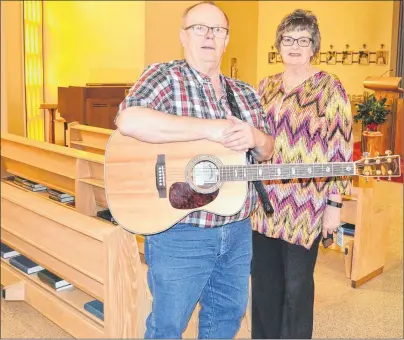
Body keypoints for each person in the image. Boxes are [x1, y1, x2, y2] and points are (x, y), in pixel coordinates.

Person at [114, 1, 274, 339]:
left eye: (217, 30)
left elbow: (268, 151)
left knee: (226, 317)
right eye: (199, 28)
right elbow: (129, 119)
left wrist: (256, 137)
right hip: (181, 231)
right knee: (168, 325)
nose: (208, 36)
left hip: (237, 229)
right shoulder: (164, 76)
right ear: (183, 37)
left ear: (227, 40)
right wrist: (208, 129)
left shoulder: (244, 93)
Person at [250, 9, 353, 339]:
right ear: (278, 45)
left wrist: (334, 207)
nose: (294, 45)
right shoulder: (265, 86)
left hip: (304, 207)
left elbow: (341, 150)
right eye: (288, 38)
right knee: (264, 286)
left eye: (303, 39)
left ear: (314, 46)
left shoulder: (329, 87)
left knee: (296, 289)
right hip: (262, 206)